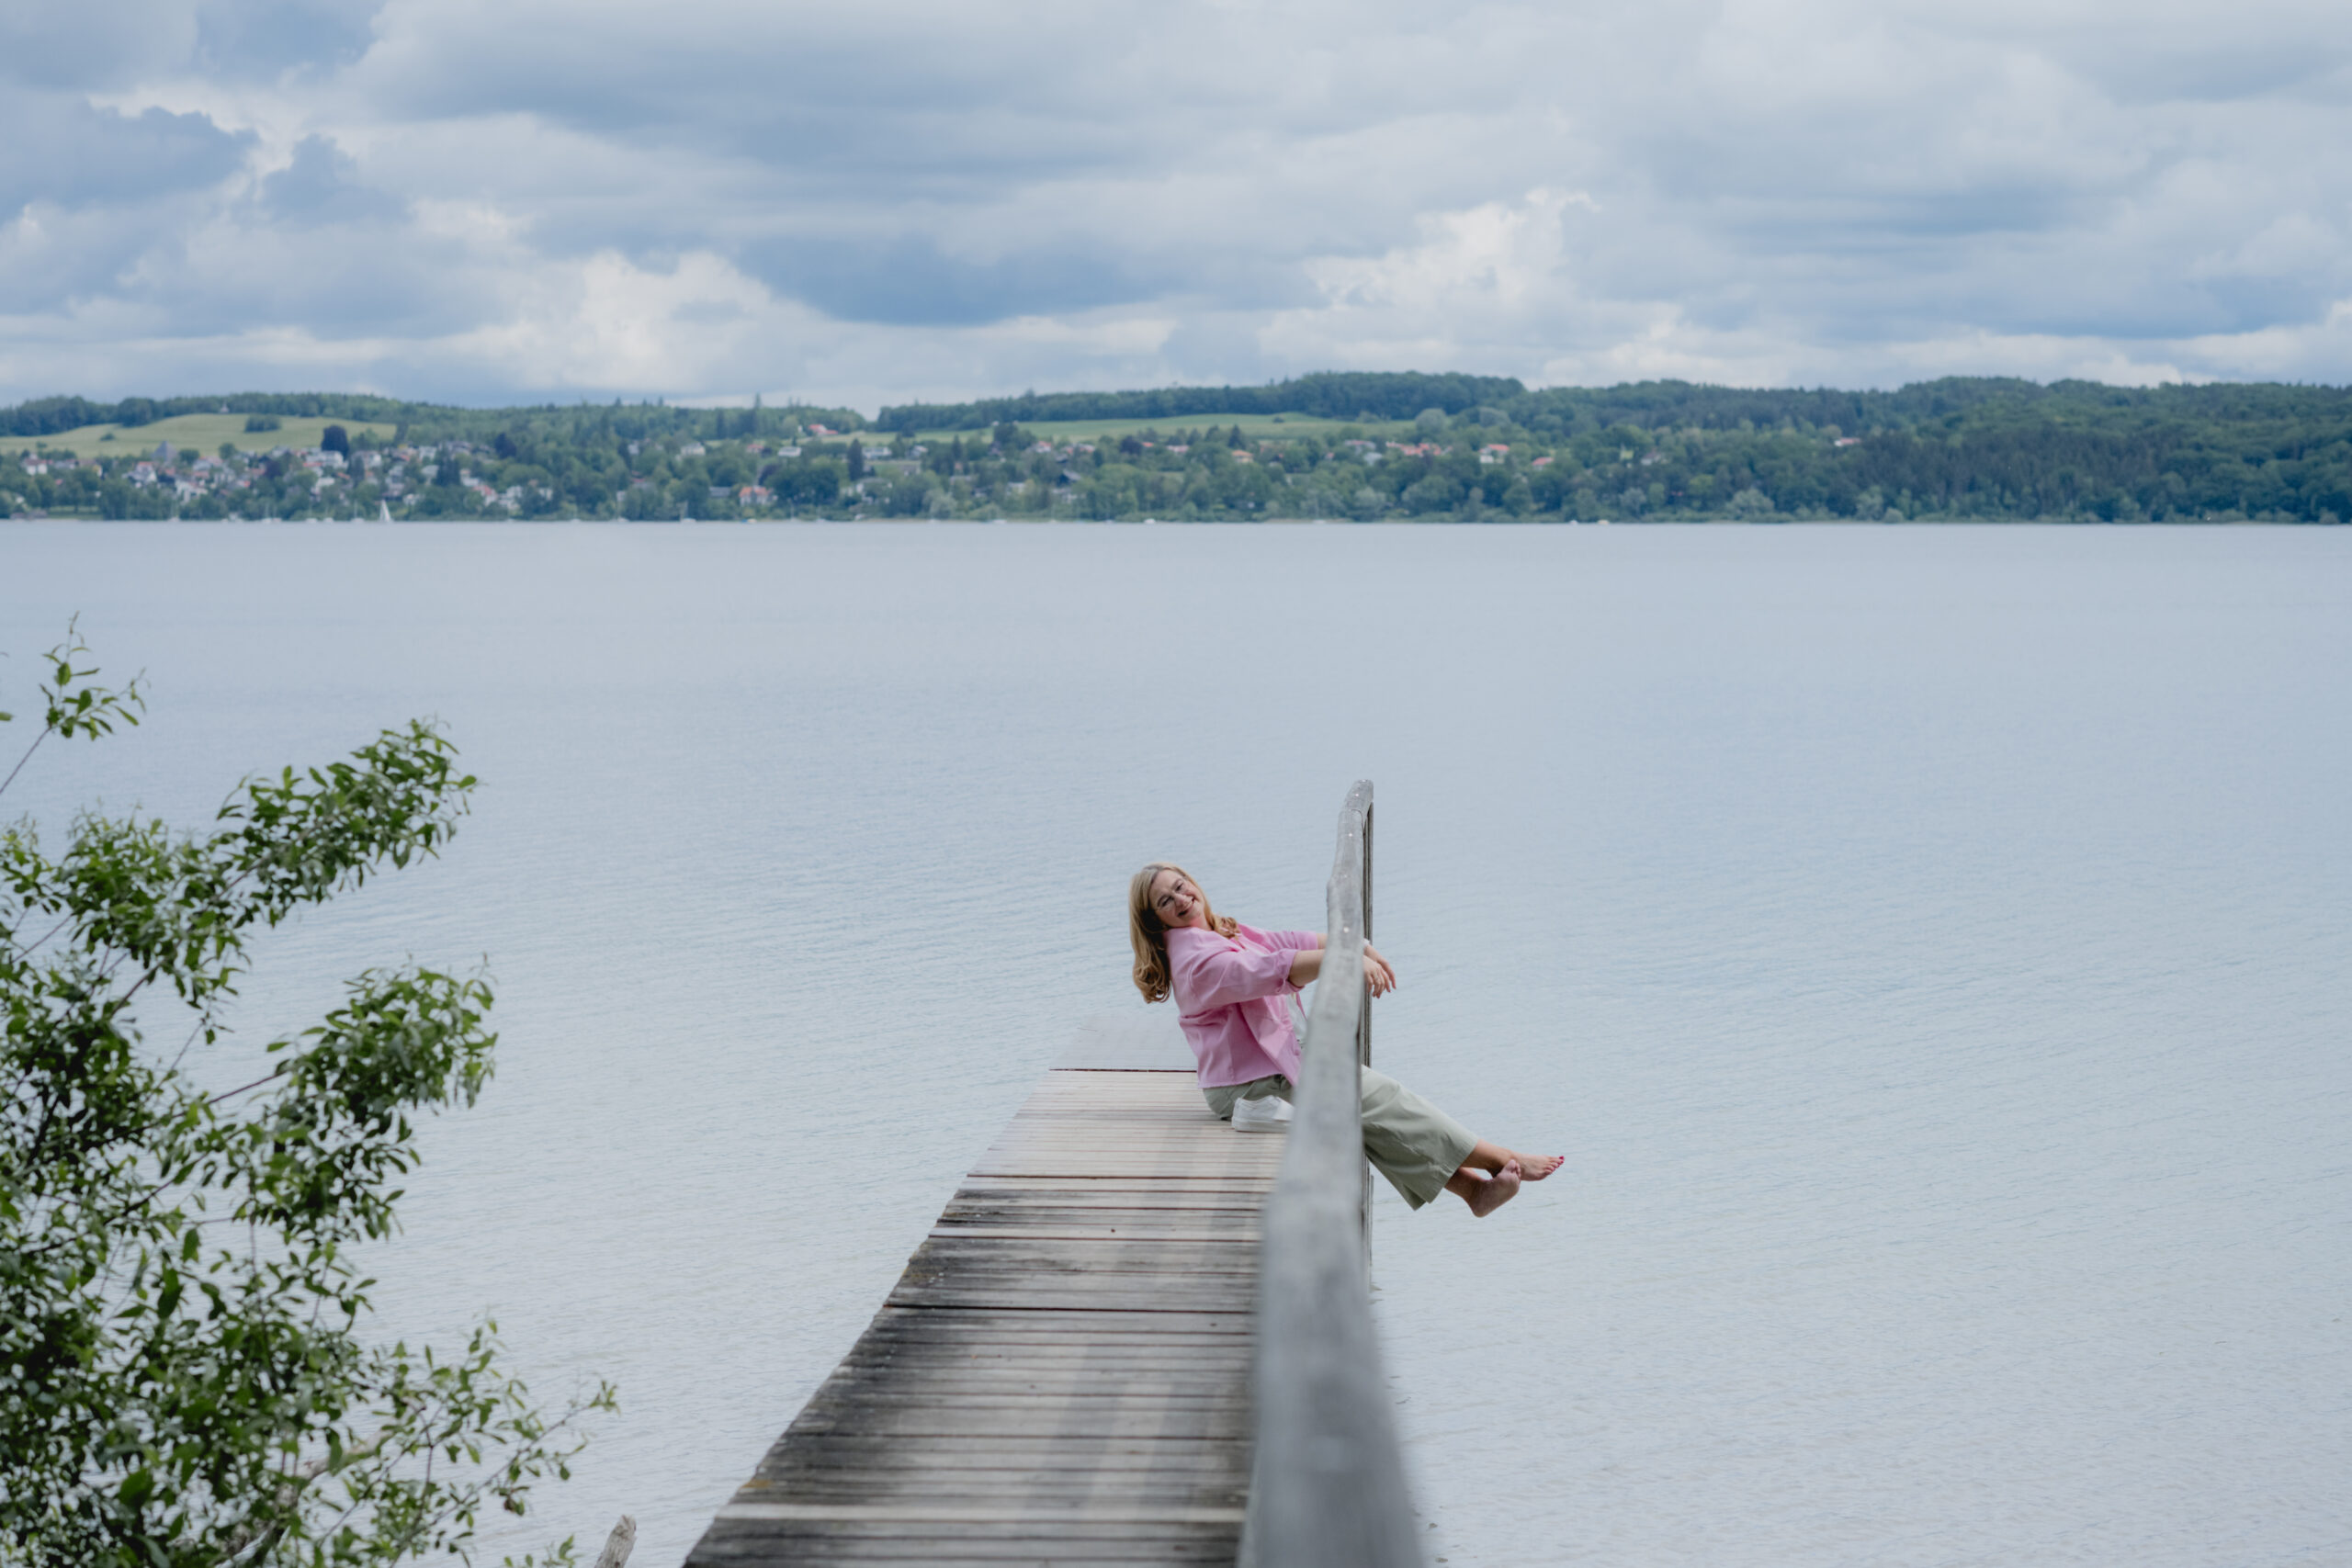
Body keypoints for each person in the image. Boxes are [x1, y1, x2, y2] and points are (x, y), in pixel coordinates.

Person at [1127, 861, 1562, 1218]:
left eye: (1182, 887)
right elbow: (1268, 970)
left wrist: (1355, 944)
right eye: (1166, 901)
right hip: (1246, 1085)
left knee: (1369, 1107)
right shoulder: (1195, 961)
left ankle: (1473, 1192)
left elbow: (1284, 942)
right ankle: (1503, 1159)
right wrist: (1345, 957)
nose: (1182, 900)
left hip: (1275, 1064)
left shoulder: (1218, 931)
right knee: (1379, 1096)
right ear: (1155, 919)